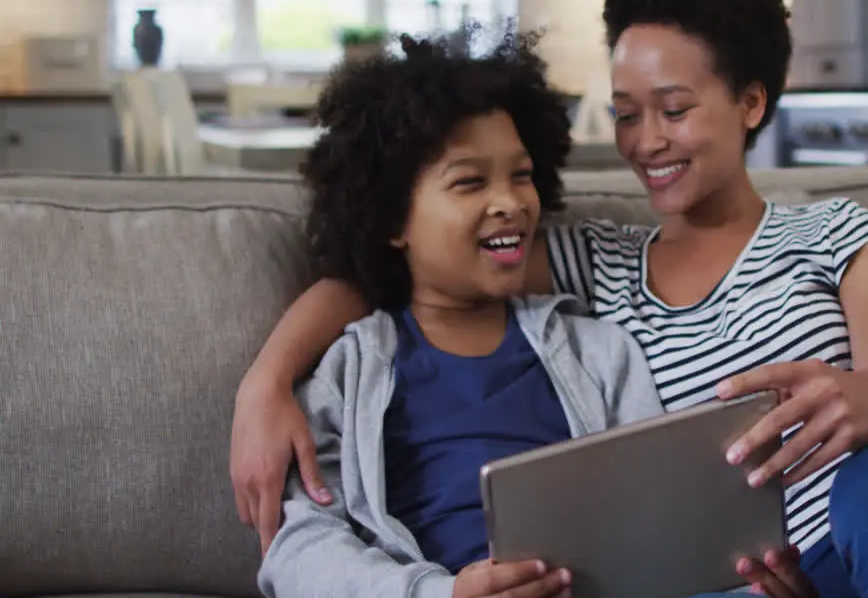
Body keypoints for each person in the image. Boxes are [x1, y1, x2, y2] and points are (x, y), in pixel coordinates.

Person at [233, 0, 868, 597]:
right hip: (839, 573)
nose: (646, 142)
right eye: (627, 113)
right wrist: (268, 378)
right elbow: (413, 262)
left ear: (751, 100)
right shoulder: (590, 262)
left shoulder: (837, 229)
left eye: (673, 109)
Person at [257, 30, 670, 598]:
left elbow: (661, 508)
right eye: (469, 182)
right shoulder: (352, 370)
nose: (509, 202)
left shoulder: (600, 353)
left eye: (521, 175)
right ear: (392, 221)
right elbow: (299, 544)